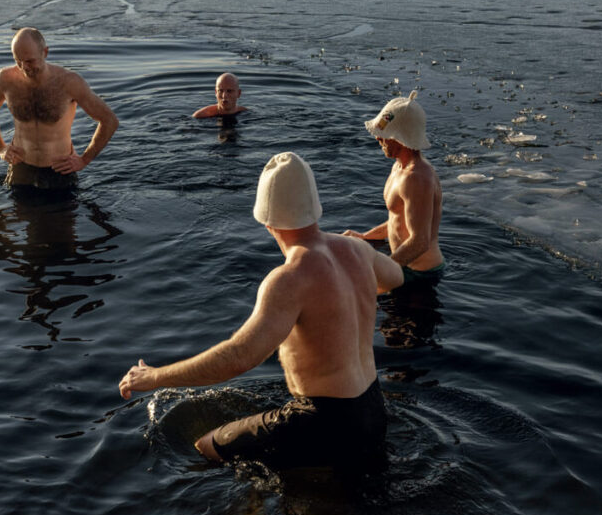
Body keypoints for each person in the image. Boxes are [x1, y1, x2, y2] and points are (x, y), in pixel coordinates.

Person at [118, 152, 404, 470]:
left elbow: (240, 356)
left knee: (207, 446)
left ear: (267, 221)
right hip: (373, 410)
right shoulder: (358, 250)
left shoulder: (288, 279)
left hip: (323, 419)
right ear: (315, 206)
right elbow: (396, 277)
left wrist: (156, 376)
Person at [0, 27, 119, 190]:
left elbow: (109, 120)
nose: (24, 67)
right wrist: (0, 147)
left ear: (45, 52)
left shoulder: (68, 82)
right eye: (18, 60)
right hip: (21, 169)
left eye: (30, 61)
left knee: (63, 215)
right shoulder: (5, 80)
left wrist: (84, 160)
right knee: (18, 214)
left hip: (60, 171)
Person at [343, 91, 445, 284]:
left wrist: (379, 275)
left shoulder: (417, 178)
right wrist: (365, 237)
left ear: (402, 138)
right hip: (402, 266)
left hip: (420, 276)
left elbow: (420, 242)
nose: (378, 139)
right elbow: (399, 221)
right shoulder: (399, 167)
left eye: (384, 135)